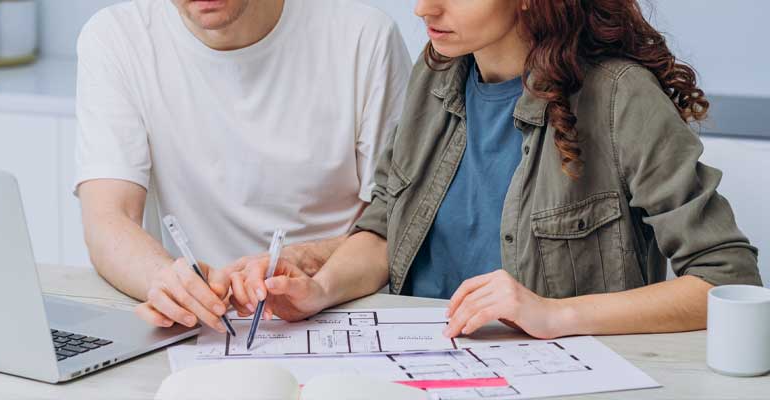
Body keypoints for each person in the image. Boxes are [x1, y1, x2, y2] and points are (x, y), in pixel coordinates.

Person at [229, 0, 763, 339]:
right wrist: (317, 290)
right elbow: (387, 228)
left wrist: (555, 315)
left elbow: (724, 283)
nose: (423, 8)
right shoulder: (435, 73)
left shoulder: (620, 98)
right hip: (414, 365)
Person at [74, 0, 411, 333]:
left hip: (339, 313)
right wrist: (165, 280)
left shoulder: (364, 38)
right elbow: (108, 219)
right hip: (202, 327)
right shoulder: (117, 38)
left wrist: (305, 263)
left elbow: (394, 229)